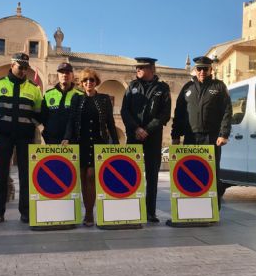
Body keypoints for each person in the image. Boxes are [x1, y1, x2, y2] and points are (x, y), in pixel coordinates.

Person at [0, 53, 43, 224]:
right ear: (12, 65)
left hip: (25, 138)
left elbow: (39, 114)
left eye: (25, 67)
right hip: (4, 137)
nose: (23, 70)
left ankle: (25, 213)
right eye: (20, 66)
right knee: (1, 176)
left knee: (26, 176)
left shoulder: (33, 88)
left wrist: (30, 125)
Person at [170, 55, 232, 211]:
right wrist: (175, 135)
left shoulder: (219, 87)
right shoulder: (187, 88)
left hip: (211, 137)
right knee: (191, 171)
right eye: (199, 69)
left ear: (211, 69)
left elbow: (227, 111)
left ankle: (213, 210)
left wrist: (223, 134)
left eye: (205, 69)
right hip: (191, 137)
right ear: (195, 70)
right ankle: (192, 208)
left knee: (212, 173)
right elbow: (179, 113)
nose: (202, 72)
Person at [63, 68, 118, 226]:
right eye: (85, 80)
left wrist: (115, 141)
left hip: (98, 142)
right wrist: (66, 137)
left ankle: (88, 213)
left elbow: (110, 123)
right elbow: (71, 121)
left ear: (96, 82)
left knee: (91, 176)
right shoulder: (76, 99)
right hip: (81, 142)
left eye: (92, 80)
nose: (89, 83)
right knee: (82, 177)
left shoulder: (104, 99)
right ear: (81, 83)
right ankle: (86, 210)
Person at [120, 57, 171, 222]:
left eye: (141, 68)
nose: (137, 70)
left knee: (152, 175)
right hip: (134, 135)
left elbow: (165, 114)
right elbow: (124, 111)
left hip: (153, 136)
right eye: (137, 68)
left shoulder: (162, 88)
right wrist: (136, 128)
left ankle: (150, 212)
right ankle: (129, 209)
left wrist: (147, 130)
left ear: (151, 69)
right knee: (129, 173)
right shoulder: (132, 86)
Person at [41, 62, 83, 144]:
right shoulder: (48, 94)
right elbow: (43, 116)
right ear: (58, 76)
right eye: (61, 72)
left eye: (67, 72)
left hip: (73, 141)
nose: (64, 75)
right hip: (51, 141)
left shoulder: (80, 95)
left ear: (72, 76)